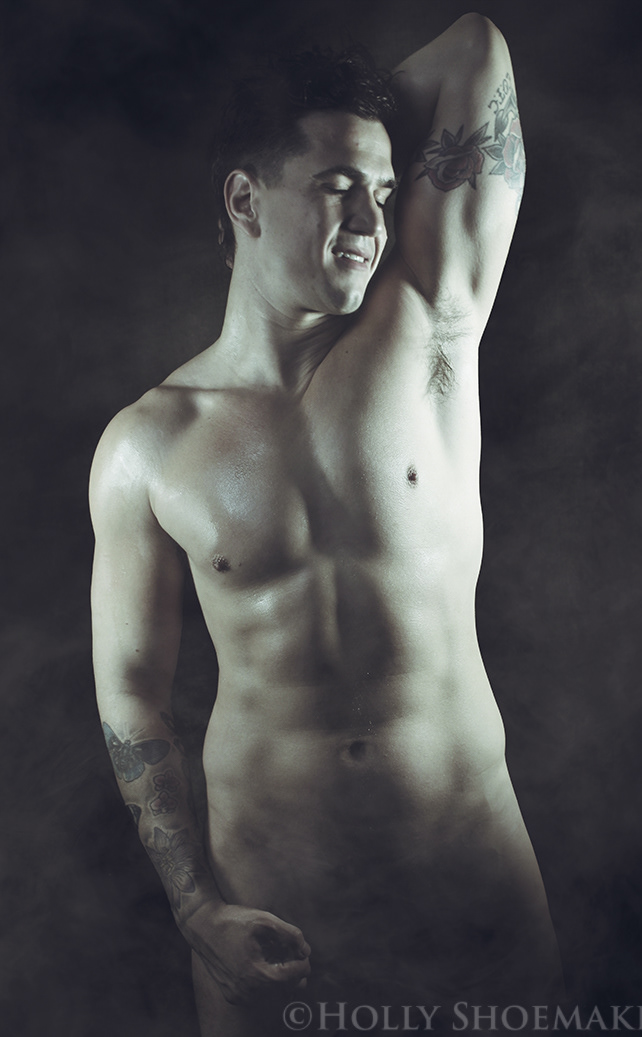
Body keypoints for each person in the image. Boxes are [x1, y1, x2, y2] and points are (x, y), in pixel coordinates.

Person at [90, 12, 562, 1035]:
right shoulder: (148, 444)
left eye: (384, 192)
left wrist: (345, 126)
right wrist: (195, 907)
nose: (369, 218)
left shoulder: (431, 323)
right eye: (337, 185)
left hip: (470, 875)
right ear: (243, 199)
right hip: (275, 911)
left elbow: (476, 47)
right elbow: (132, 693)